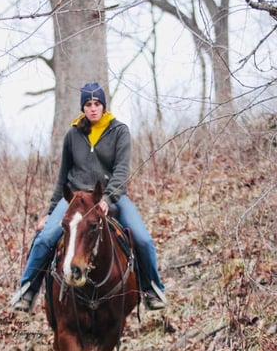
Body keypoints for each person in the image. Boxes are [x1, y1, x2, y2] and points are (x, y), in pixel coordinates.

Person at [10, 81, 167, 313]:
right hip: (74, 199)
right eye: (88, 104)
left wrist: (107, 198)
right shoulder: (72, 135)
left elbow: (121, 171)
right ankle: (27, 291)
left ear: (103, 105)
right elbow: (62, 177)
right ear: (83, 107)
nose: (93, 108)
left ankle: (152, 290)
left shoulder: (119, 131)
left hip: (109, 196)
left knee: (143, 239)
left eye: (97, 103)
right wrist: (50, 211)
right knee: (44, 239)